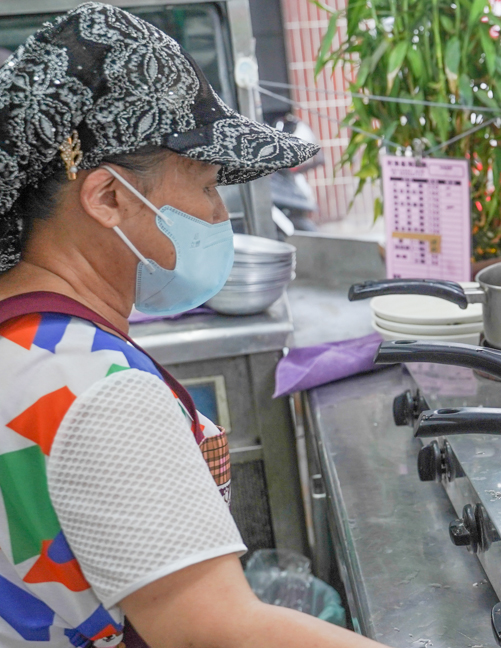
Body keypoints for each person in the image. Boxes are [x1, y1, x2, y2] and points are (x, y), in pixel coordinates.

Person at [0, 4, 385, 648]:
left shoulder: (26, 345)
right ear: (109, 198)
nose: (218, 213)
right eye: (207, 186)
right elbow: (219, 632)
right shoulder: (97, 389)